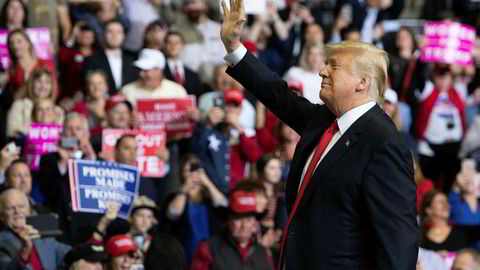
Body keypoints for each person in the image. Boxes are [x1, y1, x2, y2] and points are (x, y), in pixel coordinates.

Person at [219, 0, 419, 269]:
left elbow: (398, 244)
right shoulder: (324, 119)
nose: (322, 71)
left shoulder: (383, 143)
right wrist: (235, 48)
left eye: (334, 66)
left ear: (363, 82)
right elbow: (278, 94)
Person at [163, 153, 227, 263]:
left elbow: (224, 206)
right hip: (184, 254)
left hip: (211, 255)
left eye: (196, 170)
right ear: (181, 173)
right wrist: (185, 189)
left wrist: (207, 182)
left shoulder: (209, 198)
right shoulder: (174, 196)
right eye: (188, 171)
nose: (192, 175)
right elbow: (173, 214)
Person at [190, 189, 274, 270]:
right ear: (228, 220)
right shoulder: (208, 249)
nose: (244, 225)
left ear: (255, 224)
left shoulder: (262, 252)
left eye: (248, 219)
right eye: (238, 219)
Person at [0, 189, 71, 269]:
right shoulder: (2, 242)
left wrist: (85, 251)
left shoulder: (42, 235)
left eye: (21, 206)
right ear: (1, 216)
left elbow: (69, 253)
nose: (17, 211)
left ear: (29, 210)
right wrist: (25, 250)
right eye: (10, 208)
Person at [84, 19, 138, 95]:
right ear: (103, 34)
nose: (114, 36)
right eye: (110, 32)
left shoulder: (134, 58)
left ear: (124, 35)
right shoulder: (92, 59)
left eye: (118, 32)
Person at [6, 67, 62, 138]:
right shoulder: (19, 106)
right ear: (32, 83)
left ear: (52, 86)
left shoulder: (58, 111)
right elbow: (12, 135)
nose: (43, 86)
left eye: (47, 82)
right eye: (39, 81)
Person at [120, 48, 187, 106]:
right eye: (142, 70)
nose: (148, 75)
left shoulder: (177, 91)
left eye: (152, 69)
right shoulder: (127, 91)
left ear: (161, 70)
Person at [7, 29, 56, 97]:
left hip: (45, 104)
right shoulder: (12, 70)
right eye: (12, 43)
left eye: (19, 41)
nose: (15, 46)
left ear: (28, 43)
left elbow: (55, 88)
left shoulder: (46, 63)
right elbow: (15, 96)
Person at [163, 31, 203, 97]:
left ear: (183, 46)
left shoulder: (193, 75)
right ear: (164, 46)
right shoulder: (160, 72)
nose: (173, 46)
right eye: (169, 43)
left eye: (177, 43)